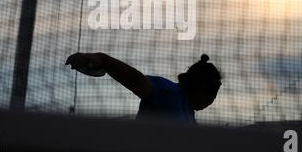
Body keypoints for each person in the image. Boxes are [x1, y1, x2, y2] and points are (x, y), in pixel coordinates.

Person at [65, 52, 222, 122]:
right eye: (212, 93)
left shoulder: (189, 114)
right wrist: (105, 60)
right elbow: (136, 80)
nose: (212, 99)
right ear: (199, 86)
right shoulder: (170, 93)